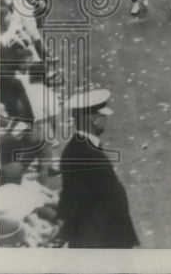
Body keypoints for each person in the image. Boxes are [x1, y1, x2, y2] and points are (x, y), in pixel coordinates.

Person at [57, 89, 139, 248]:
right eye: (103, 116)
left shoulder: (76, 148)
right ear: (94, 119)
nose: (105, 120)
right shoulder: (89, 154)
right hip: (102, 239)